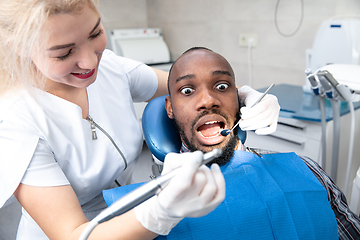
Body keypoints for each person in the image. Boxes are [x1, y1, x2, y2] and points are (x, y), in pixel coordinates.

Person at [0, 1, 282, 239]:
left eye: (95, 33)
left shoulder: (111, 68)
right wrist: (161, 211)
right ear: (21, 48)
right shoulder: (16, 121)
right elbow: (75, 233)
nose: (89, 62)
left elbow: (191, 90)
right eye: (64, 52)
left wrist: (245, 95)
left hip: (132, 211)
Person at [161, 47, 360, 239]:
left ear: (239, 98)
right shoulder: (155, 209)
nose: (208, 100)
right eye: (187, 90)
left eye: (221, 86)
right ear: (170, 108)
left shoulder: (307, 169)